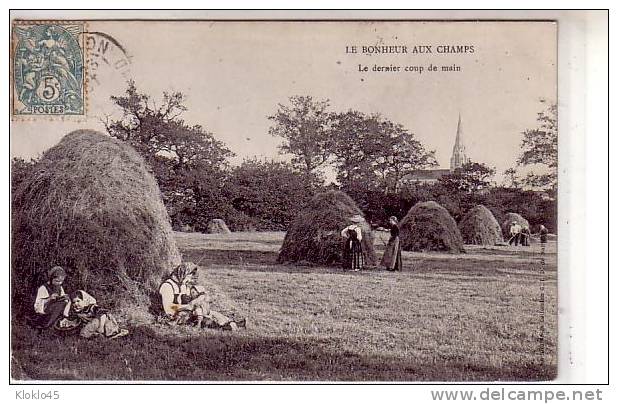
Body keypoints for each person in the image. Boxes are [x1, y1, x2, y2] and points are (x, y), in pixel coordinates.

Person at [159, 262, 245, 331]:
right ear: (182, 273)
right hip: (175, 315)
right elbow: (168, 308)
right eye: (189, 276)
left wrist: (200, 299)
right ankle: (222, 327)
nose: (190, 280)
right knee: (203, 318)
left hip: (186, 311)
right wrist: (186, 307)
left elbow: (190, 299)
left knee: (210, 312)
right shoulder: (167, 286)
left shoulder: (183, 285)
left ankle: (232, 323)